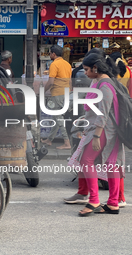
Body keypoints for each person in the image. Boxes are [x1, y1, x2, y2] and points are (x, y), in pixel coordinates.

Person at [65, 49, 126, 208]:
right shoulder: (105, 82)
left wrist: (97, 136)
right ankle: (113, 203)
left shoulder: (105, 85)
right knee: (111, 163)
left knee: (86, 160)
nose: (84, 73)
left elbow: (103, 113)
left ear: (96, 68)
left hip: (104, 130)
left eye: (86, 69)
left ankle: (93, 200)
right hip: (109, 129)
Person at [41, 45, 72, 150]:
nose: (50, 55)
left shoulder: (54, 64)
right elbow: (70, 80)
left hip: (57, 93)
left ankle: (67, 142)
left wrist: (43, 91)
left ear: (53, 54)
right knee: (57, 117)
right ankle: (49, 140)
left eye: (50, 53)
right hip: (66, 93)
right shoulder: (67, 64)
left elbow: (51, 82)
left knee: (58, 118)